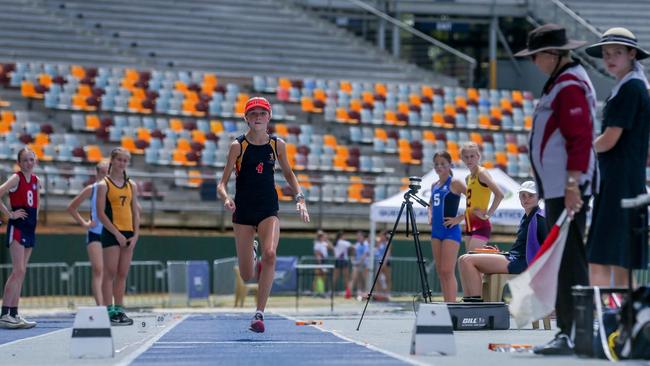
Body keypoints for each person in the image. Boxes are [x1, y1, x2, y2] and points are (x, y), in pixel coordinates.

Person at [515, 23, 598, 355]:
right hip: (558, 186)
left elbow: (579, 139)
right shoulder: (561, 83)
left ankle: (574, 331)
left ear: (552, 54)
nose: (534, 62)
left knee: (569, 259)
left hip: (566, 187)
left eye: (537, 56)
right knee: (566, 258)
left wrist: (572, 183)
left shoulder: (569, 86)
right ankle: (571, 330)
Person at [217, 96, 310, 333]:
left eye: (262, 113)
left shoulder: (278, 144)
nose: (258, 117)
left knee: (271, 254)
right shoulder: (238, 146)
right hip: (243, 211)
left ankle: (259, 313)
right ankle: (253, 251)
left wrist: (300, 199)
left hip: (269, 208)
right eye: (253, 114)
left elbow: (289, 174)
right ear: (246, 118)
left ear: (269, 117)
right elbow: (222, 183)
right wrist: (227, 198)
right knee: (247, 274)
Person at [584, 27, 650, 287]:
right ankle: (626, 320)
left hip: (617, 181)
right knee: (621, 258)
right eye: (606, 53)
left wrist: (581, 153)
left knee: (600, 256)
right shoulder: (633, 86)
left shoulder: (631, 88)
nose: (610, 58)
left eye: (617, 53)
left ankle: (602, 319)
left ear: (632, 54)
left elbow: (610, 139)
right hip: (624, 179)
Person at [458, 181, 547, 301]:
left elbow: (549, 248)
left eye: (530, 196)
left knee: (468, 260)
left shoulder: (539, 218)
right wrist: (500, 253)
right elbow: (521, 247)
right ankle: (469, 303)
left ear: (539, 198)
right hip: (516, 259)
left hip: (524, 263)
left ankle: (475, 305)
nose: (526, 199)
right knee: (463, 259)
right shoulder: (527, 217)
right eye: (523, 195)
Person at [96, 147, 140, 326]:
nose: (122, 163)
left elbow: (135, 211)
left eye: (125, 160)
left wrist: (136, 234)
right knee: (110, 272)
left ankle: (119, 309)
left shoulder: (132, 185)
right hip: (112, 233)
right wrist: (116, 233)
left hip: (128, 233)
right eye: (119, 159)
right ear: (112, 160)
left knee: (122, 273)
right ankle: (108, 310)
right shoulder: (103, 184)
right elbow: (100, 213)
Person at [0, 147, 39, 329]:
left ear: (35, 161)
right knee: (17, 270)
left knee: (22, 272)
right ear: (19, 162)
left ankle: (14, 314)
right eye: (25, 160)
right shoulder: (16, 178)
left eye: (31, 159)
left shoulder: (36, 180)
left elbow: (34, 203)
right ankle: (5, 313)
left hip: (30, 228)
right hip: (18, 227)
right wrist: (9, 214)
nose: (28, 163)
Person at [67, 160, 109, 305]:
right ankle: (100, 306)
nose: (105, 176)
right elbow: (72, 207)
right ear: (97, 173)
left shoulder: (115, 189)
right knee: (98, 269)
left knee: (109, 272)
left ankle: (109, 305)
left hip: (110, 234)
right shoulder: (92, 189)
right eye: (103, 173)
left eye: (107, 173)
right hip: (95, 233)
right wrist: (85, 223)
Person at [427, 151, 465, 302]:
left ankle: (452, 306)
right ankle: (446, 305)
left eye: (442, 163)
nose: (439, 166)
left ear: (450, 165)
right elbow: (430, 204)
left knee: (447, 270)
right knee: (440, 272)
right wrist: (430, 214)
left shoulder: (455, 182)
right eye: (436, 164)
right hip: (436, 232)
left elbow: (473, 199)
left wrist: (459, 218)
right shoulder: (434, 185)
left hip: (451, 231)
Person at [457, 142, 504, 252]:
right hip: (469, 224)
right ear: (462, 159)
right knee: (468, 265)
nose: (469, 159)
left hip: (481, 224)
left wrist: (488, 214)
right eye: (466, 157)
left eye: (472, 156)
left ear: (478, 156)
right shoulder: (467, 178)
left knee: (471, 260)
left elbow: (500, 195)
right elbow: (471, 202)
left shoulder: (482, 173)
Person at [348, 231, 369, 299]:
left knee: (365, 280)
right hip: (357, 265)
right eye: (357, 236)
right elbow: (353, 254)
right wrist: (354, 261)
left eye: (360, 236)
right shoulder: (357, 244)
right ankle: (356, 294)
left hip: (364, 265)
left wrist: (360, 262)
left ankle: (366, 295)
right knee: (357, 280)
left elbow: (365, 254)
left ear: (363, 237)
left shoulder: (366, 244)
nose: (358, 237)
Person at [332, 231, 352, 298]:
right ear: (341, 236)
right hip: (344, 261)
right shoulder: (344, 242)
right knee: (346, 278)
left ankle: (332, 291)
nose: (345, 237)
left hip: (337, 260)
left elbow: (334, 252)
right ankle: (347, 293)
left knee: (335, 277)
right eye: (344, 235)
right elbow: (352, 247)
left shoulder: (335, 243)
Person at [312, 230, 332, 297]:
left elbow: (331, 247)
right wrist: (319, 263)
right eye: (321, 236)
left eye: (323, 236)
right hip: (319, 262)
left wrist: (327, 239)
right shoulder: (317, 244)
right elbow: (317, 254)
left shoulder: (325, 243)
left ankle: (322, 292)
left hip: (324, 262)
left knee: (324, 277)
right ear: (319, 237)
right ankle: (314, 292)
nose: (322, 237)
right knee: (316, 277)